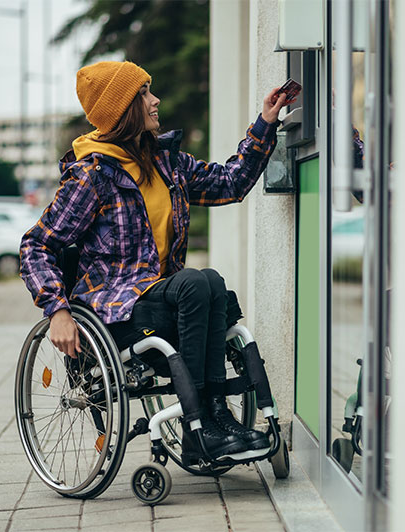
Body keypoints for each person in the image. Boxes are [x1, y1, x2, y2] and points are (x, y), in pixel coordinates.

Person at [19, 60, 293, 463]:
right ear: (124, 109)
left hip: (167, 300)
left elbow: (229, 183)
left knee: (210, 281)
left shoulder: (166, 163)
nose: (155, 100)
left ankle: (215, 419)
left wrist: (266, 123)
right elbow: (36, 246)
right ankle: (199, 426)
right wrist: (57, 310)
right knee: (198, 282)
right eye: (144, 93)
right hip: (119, 312)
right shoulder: (91, 176)